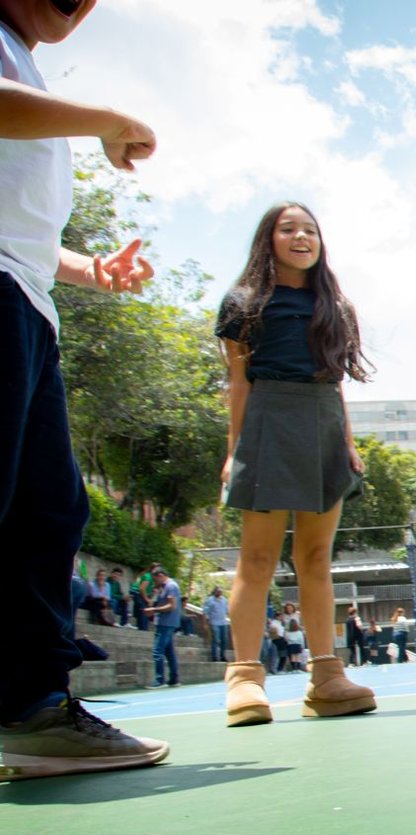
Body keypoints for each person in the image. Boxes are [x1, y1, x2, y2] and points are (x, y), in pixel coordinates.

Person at [0, 0, 169, 779]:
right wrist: (103, 117)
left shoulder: (26, 64)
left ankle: (32, 710)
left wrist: (88, 270)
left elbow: (20, 226)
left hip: (29, 300)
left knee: (48, 511)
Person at [215, 202, 377, 727]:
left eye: (310, 229)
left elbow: (336, 380)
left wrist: (347, 442)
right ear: (271, 239)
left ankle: (326, 676)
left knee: (315, 558)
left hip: (323, 421)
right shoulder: (242, 303)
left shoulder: (337, 306)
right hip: (267, 418)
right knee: (257, 559)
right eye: (289, 229)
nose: (302, 236)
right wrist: (234, 448)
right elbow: (238, 384)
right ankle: (244, 679)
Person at [142, 564, 181, 688]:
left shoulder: (171, 586)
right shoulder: (164, 587)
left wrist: (154, 609)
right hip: (165, 622)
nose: (154, 582)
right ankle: (174, 679)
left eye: (155, 579)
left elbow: (172, 605)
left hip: (166, 623)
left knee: (158, 651)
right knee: (169, 652)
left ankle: (160, 680)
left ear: (160, 575)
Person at [202, 585, 230, 660]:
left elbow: (228, 611)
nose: (219, 592)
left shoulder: (224, 600)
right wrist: (205, 624)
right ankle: (214, 656)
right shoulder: (210, 600)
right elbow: (205, 612)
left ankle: (222, 655)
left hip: (223, 623)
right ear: (215, 591)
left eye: (220, 591)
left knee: (224, 640)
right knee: (216, 640)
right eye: (218, 591)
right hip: (214, 622)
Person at [343, 603, 365, 668]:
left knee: (353, 651)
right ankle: (364, 662)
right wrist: (361, 630)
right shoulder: (356, 618)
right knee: (361, 648)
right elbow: (359, 626)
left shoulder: (347, 620)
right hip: (357, 635)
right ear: (354, 612)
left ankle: (351, 663)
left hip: (350, 636)